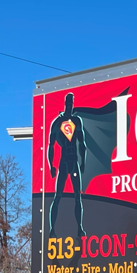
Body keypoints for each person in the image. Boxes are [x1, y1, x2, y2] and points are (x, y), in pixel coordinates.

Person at [47, 92, 86, 237]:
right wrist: (51, 165)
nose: (70, 106)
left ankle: (79, 228)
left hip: (74, 161)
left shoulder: (77, 121)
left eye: (71, 103)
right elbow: (50, 145)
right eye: (68, 103)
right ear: (65, 104)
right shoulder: (57, 122)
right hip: (63, 162)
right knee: (58, 196)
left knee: (77, 196)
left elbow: (82, 143)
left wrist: (83, 162)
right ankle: (52, 229)